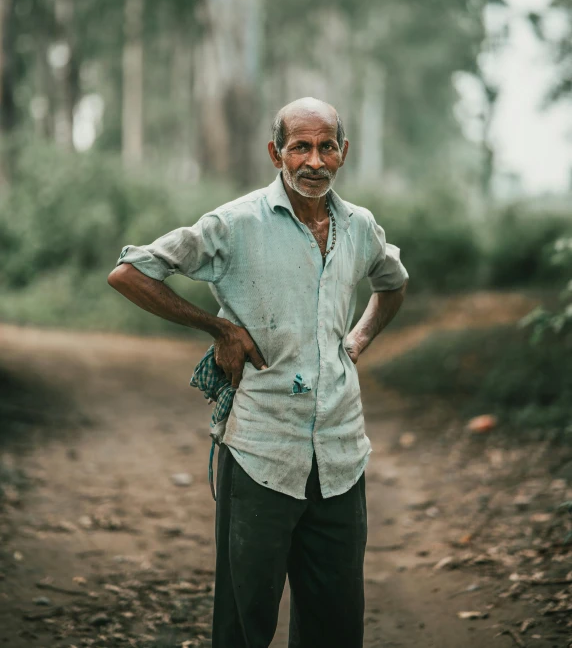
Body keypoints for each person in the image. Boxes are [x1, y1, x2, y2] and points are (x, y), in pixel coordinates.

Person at [107, 96, 409, 648]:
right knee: (245, 624)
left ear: (343, 154)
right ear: (276, 153)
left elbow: (393, 281)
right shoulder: (235, 223)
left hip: (341, 453)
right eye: (300, 147)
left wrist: (359, 337)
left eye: (325, 147)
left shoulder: (360, 227)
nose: (313, 161)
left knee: (335, 622)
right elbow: (130, 273)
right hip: (260, 453)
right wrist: (218, 329)